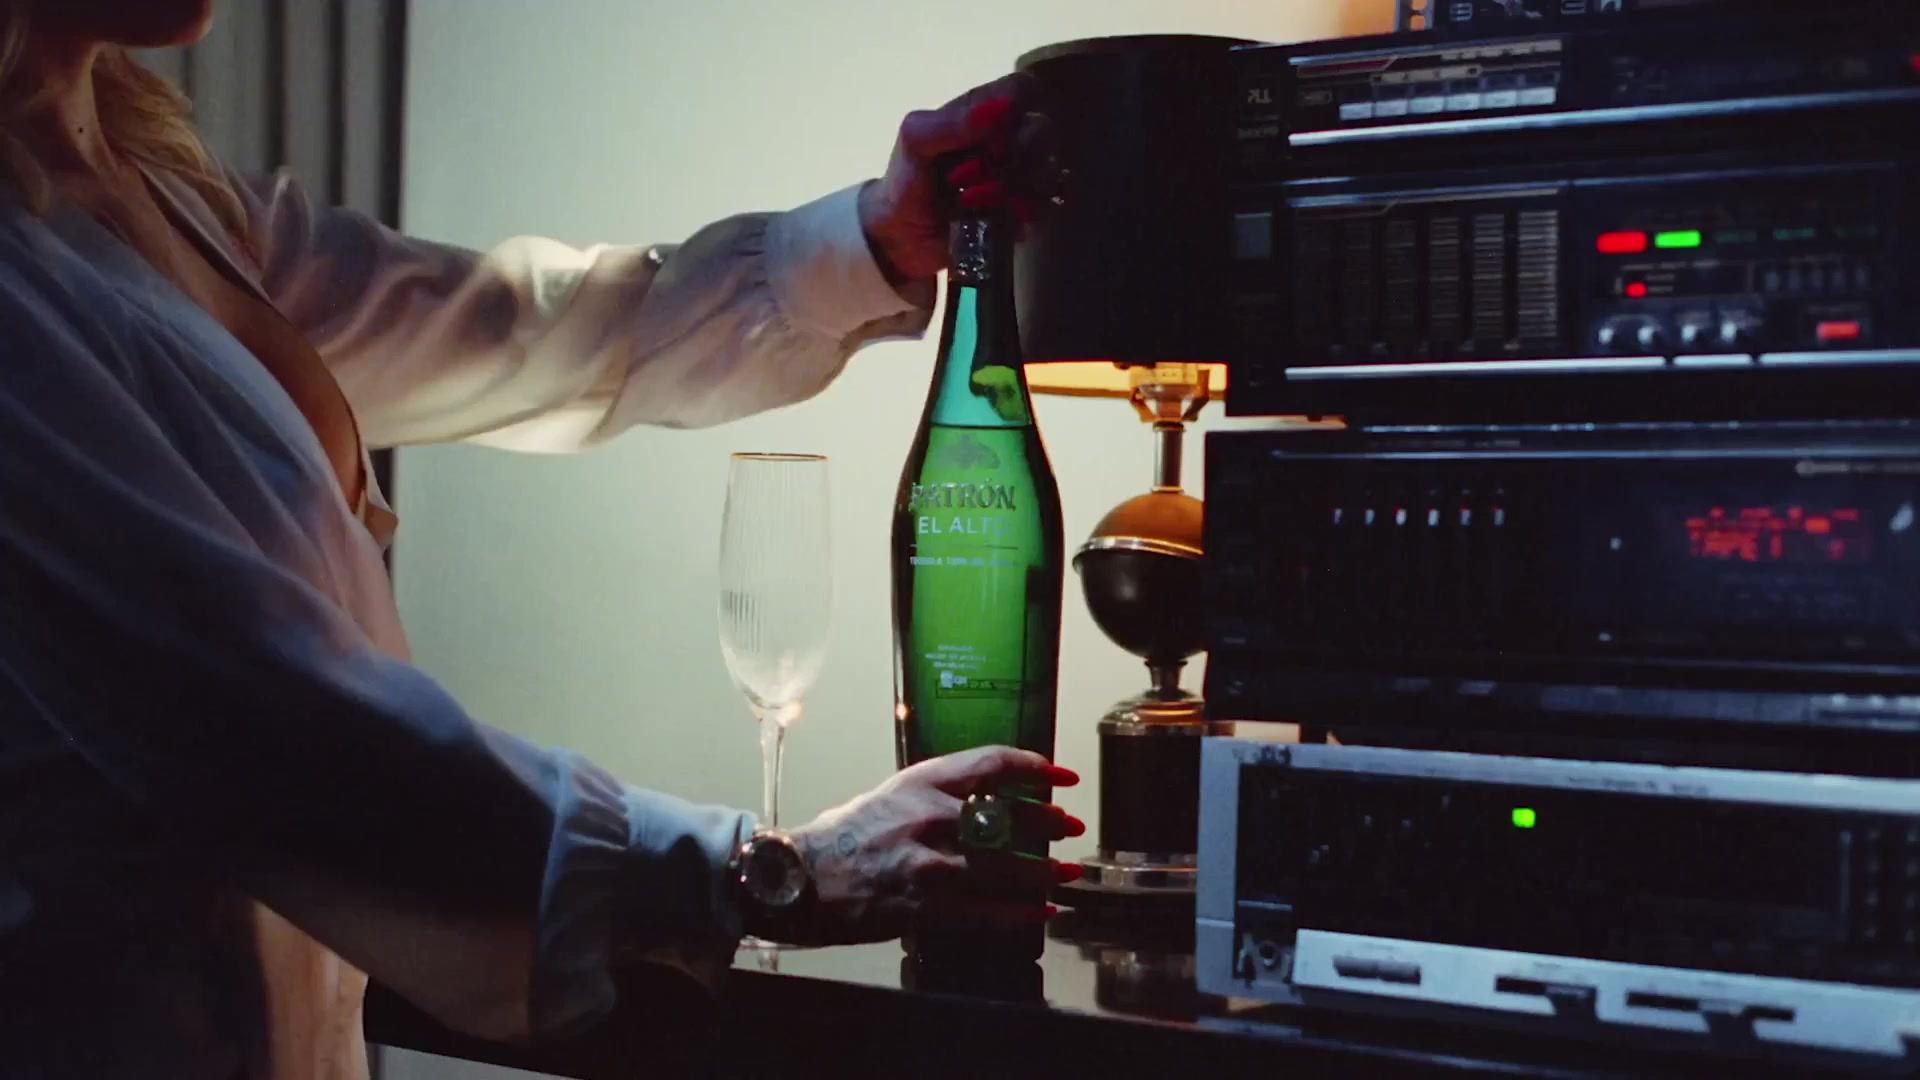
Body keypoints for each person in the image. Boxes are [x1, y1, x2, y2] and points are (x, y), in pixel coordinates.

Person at [0, 1, 1081, 1077]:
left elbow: (516, 328)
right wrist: (761, 872)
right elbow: (259, 720)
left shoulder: (159, 191)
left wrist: (871, 238)